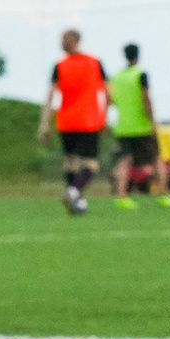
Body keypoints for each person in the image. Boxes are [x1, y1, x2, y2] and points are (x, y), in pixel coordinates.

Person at [40, 27, 110, 216]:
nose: (61, 43)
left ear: (75, 40)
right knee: (90, 164)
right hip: (88, 120)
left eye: (64, 39)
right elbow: (107, 92)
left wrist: (44, 124)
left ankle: (75, 202)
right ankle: (73, 192)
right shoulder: (94, 62)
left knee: (71, 163)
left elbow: (50, 96)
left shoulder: (62, 65)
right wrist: (106, 117)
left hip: (69, 120)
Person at [106, 44, 163, 206]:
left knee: (124, 161)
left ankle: (121, 196)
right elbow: (147, 100)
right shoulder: (140, 74)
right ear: (138, 56)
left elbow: (110, 100)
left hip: (123, 126)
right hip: (142, 126)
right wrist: (153, 122)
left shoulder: (116, 77)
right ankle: (163, 193)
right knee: (156, 159)